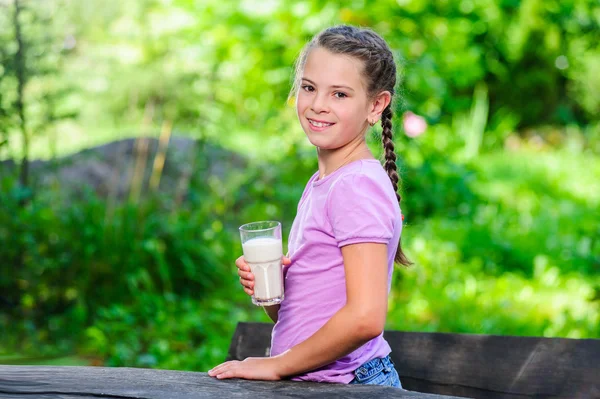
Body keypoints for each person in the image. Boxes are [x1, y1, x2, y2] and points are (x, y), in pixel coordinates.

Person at [208, 24, 411, 387]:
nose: (318, 104)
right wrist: (274, 289)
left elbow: (366, 317)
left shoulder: (355, 185)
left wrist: (277, 364)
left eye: (340, 94)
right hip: (319, 381)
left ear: (376, 105)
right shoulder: (324, 183)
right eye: (309, 87)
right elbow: (302, 319)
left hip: (352, 384)